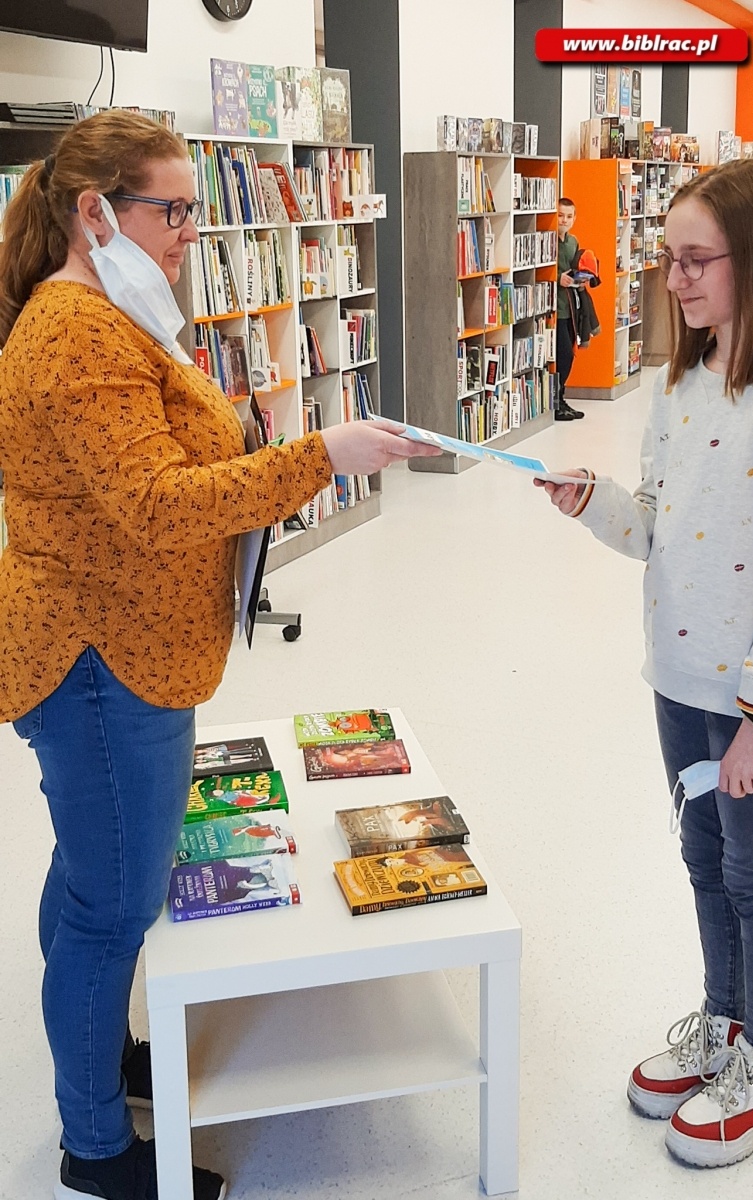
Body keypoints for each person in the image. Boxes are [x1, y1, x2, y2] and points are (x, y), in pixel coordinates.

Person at [0, 110, 439, 1200]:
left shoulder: (119, 309)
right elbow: (153, 504)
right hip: (100, 655)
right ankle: (94, 1148)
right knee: (112, 903)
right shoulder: (76, 332)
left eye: (197, 210)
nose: (191, 231)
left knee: (93, 870)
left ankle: (96, 1061)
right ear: (94, 211)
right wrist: (316, 455)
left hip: (127, 644)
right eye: (174, 210)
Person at [537, 159, 753, 1168]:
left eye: (695, 261)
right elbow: (654, 526)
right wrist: (593, 502)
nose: (675, 280)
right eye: (668, 261)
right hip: (676, 683)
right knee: (702, 863)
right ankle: (724, 1027)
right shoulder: (679, 381)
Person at [555, 196, 586, 421]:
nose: (564, 220)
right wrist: (558, 279)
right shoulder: (547, 240)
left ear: (574, 218)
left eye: (568, 216)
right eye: (560, 215)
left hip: (570, 308)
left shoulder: (573, 242)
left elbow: (575, 268)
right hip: (554, 307)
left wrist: (581, 278)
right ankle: (556, 402)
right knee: (562, 355)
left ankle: (561, 397)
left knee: (570, 355)